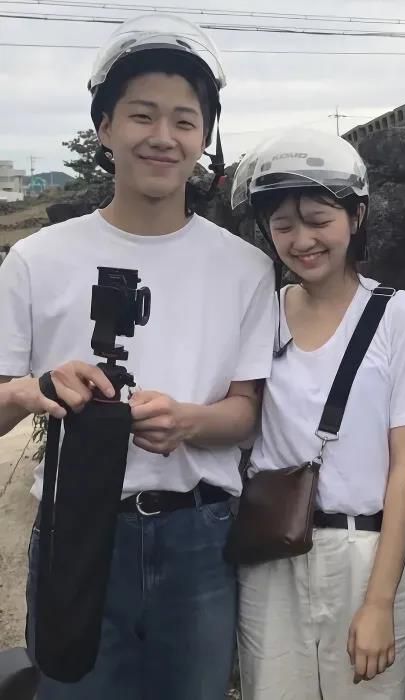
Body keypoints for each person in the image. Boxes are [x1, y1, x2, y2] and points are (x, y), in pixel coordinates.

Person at [0, 14, 275, 700]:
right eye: (142, 115)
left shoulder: (246, 267)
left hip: (200, 535)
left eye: (185, 121)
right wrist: (33, 390)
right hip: (75, 528)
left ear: (204, 138)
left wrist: (189, 422)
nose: (163, 137)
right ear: (104, 127)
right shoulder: (34, 260)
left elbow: (246, 412)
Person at [230, 129, 405, 699]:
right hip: (272, 554)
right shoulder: (263, 313)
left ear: (356, 215)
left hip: (365, 552)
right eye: (282, 225)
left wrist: (379, 602)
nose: (302, 240)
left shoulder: (399, 317)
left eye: (318, 220)